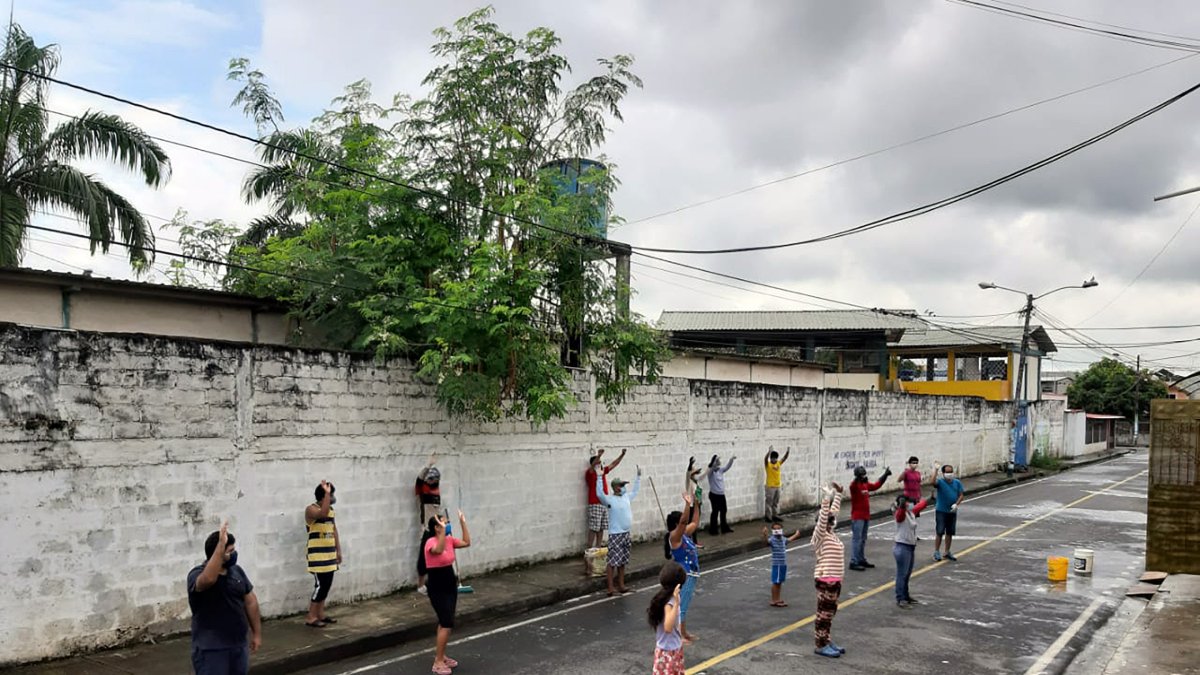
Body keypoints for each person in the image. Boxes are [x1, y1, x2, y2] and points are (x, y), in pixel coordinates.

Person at [187, 520, 262, 675]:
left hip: (238, 646)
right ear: (218, 553)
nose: (234, 554)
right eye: (230, 551)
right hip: (211, 650)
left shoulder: (237, 572)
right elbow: (208, 580)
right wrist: (221, 546)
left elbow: (251, 601)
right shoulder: (196, 574)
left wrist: (256, 634)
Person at [424, 510, 471, 675]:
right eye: (443, 522)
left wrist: (462, 522)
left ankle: (442, 656)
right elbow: (438, 550)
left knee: (447, 621)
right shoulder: (430, 542)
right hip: (436, 585)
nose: (446, 524)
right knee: (446, 622)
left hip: (450, 582)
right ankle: (437, 662)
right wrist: (443, 532)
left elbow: (466, 542)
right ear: (437, 527)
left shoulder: (450, 540)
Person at [812, 482, 846, 658]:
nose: (832, 521)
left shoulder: (831, 534)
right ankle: (820, 644)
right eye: (827, 520)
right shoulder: (819, 536)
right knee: (824, 614)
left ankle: (826, 640)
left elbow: (832, 514)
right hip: (826, 580)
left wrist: (838, 494)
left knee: (829, 613)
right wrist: (826, 499)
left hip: (835, 581)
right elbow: (825, 517)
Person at [596, 466, 642, 596]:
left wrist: (638, 477)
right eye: (621, 485)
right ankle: (610, 587)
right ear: (616, 487)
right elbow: (599, 494)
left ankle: (621, 585)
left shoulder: (626, 497)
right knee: (612, 561)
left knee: (622, 561)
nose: (624, 487)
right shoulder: (610, 500)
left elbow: (635, 491)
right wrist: (599, 477)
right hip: (616, 534)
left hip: (626, 533)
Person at [304, 480, 341, 628]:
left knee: (326, 585)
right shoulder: (311, 510)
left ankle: (320, 614)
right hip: (317, 556)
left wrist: (338, 549)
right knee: (320, 586)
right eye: (330, 495)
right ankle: (311, 617)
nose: (332, 497)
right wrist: (326, 492)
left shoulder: (331, 510)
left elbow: (333, 529)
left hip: (329, 554)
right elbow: (322, 513)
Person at [666, 492, 701, 644]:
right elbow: (684, 521)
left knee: (684, 604)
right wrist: (687, 504)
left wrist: (697, 504)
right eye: (681, 522)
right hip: (684, 574)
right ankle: (678, 635)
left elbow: (694, 522)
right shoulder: (674, 536)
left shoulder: (684, 534)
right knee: (681, 606)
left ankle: (684, 632)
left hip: (691, 573)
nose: (685, 524)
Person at [585, 448, 627, 560]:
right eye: (598, 464)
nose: (600, 465)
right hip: (595, 504)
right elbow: (593, 466)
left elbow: (614, 464)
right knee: (594, 528)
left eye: (600, 463)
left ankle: (598, 549)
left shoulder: (602, 472)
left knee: (601, 527)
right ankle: (589, 551)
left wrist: (621, 455)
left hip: (604, 503)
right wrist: (598, 456)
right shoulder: (590, 473)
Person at [848, 464, 892, 571]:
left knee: (863, 539)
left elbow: (876, 485)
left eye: (864, 474)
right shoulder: (854, 486)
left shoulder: (865, 485)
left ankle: (861, 558)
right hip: (857, 517)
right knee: (857, 539)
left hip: (865, 516)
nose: (863, 476)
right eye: (861, 475)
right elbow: (853, 485)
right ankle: (854, 561)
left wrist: (885, 475)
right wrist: (858, 480)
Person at [648, 561, 688, 675]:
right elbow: (668, 627)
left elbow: (675, 626)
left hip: (674, 648)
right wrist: (676, 603)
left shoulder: (668, 597)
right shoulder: (669, 603)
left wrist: (680, 637)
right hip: (667, 652)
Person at [893, 492, 932, 609]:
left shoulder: (910, 513)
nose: (911, 504)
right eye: (908, 502)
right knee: (902, 574)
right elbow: (900, 515)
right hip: (902, 547)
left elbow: (919, 506)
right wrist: (901, 506)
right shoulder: (901, 514)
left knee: (907, 574)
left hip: (909, 547)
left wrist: (929, 499)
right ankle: (900, 598)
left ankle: (905, 595)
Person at [415, 454, 441, 594]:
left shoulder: (437, 490)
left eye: (436, 479)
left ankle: (434, 582)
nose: (434, 481)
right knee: (423, 556)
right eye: (431, 479)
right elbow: (419, 479)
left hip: (437, 527)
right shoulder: (423, 489)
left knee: (437, 555)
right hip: (426, 527)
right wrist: (428, 466)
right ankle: (420, 585)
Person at [763, 521, 802, 607]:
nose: (777, 531)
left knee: (779, 582)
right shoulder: (772, 539)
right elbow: (767, 542)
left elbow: (789, 540)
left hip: (782, 564)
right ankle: (774, 600)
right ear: (772, 531)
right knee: (775, 582)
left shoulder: (783, 539)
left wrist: (796, 534)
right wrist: (765, 534)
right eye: (775, 529)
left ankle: (777, 598)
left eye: (779, 529)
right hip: (777, 564)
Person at [933, 464, 965, 562]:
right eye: (947, 472)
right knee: (940, 531)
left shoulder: (957, 482)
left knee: (950, 532)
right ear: (943, 473)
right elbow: (932, 482)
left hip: (952, 511)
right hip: (941, 511)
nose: (949, 474)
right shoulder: (940, 482)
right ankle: (936, 551)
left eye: (951, 471)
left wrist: (956, 504)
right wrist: (935, 470)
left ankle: (947, 552)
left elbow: (961, 495)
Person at [706, 453, 737, 535]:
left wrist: (731, 459)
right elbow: (711, 467)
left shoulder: (720, 470)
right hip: (714, 495)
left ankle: (724, 528)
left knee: (724, 511)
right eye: (717, 460)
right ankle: (713, 530)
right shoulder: (711, 472)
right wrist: (714, 461)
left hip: (721, 495)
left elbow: (727, 467)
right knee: (715, 512)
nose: (719, 461)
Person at [763, 446, 790, 523]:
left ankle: (775, 515)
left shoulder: (778, 463)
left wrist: (787, 452)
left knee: (775, 502)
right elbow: (765, 459)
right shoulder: (768, 465)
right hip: (770, 486)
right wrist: (769, 452)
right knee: (769, 502)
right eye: (773, 458)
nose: (774, 460)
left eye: (775, 458)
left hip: (778, 486)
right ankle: (768, 517)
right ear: (771, 458)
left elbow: (784, 458)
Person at [684, 457, 705, 547]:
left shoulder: (695, 482)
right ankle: (690, 541)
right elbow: (688, 474)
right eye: (694, 473)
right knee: (691, 525)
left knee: (695, 524)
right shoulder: (689, 482)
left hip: (696, 505)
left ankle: (694, 541)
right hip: (691, 506)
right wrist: (690, 465)